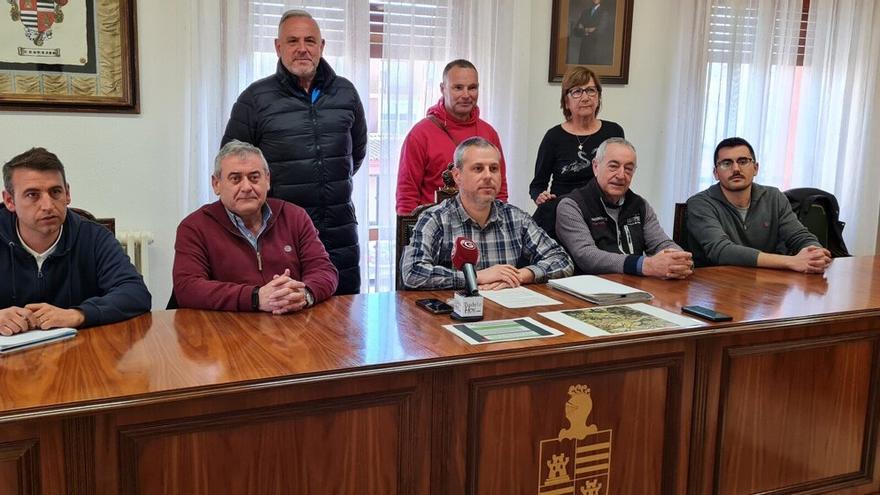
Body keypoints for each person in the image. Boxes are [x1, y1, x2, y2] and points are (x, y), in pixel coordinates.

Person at [222, 9, 366, 295]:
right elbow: (232, 165)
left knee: (343, 324)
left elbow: (356, 156)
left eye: (310, 40)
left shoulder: (346, 93)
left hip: (339, 235)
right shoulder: (255, 99)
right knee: (284, 322)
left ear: (321, 46)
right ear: (278, 47)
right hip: (279, 236)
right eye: (293, 41)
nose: (302, 48)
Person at [173, 140, 338, 313]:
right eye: (235, 179)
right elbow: (187, 288)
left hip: (291, 326)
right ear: (216, 184)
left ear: (267, 180)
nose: (246, 187)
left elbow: (325, 270)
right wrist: (255, 297)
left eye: (254, 177)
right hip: (227, 329)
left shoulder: (294, 216)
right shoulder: (194, 227)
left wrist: (304, 294)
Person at [0, 148, 151, 335]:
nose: (48, 206)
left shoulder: (94, 236)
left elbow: (135, 293)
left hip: (79, 353)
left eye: (55, 192)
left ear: (67, 194)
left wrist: (78, 314)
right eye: (33, 195)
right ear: (9, 201)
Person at [400, 137, 573, 290]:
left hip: (506, 311)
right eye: (478, 168)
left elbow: (561, 259)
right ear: (457, 175)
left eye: (494, 168)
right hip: (453, 316)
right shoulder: (435, 219)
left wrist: (520, 275)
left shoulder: (516, 218)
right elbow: (413, 272)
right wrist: (477, 277)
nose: (488, 176)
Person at [686, 137, 831, 273]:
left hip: (767, 286)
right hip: (718, 287)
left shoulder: (774, 197)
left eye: (743, 161)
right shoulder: (700, 204)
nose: (736, 169)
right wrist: (790, 261)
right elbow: (721, 251)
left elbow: (800, 236)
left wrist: (815, 255)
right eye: (726, 163)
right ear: (715, 173)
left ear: (755, 168)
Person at [556, 138, 693, 278]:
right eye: (613, 166)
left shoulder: (640, 205)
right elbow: (587, 256)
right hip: (588, 290)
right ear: (596, 167)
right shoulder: (572, 206)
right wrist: (644, 265)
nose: (621, 175)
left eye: (628, 169)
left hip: (635, 287)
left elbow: (660, 243)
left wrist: (679, 260)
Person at [396, 59, 508, 215]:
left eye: (472, 88)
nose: (466, 95)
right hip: (435, 230)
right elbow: (407, 194)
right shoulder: (420, 134)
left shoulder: (489, 133)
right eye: (458, 88)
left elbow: (500, 190)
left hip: (483, 229)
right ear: (443, 89)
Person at [529, 66, 624, 206]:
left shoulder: (613, 132)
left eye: (591, 90)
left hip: (602, 211)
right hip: (563, 211)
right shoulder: (553, 137)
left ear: (598, 97)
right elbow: (536, 186)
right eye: (577, 92)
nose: (585, 98)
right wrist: (541, 196)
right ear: (566, 102)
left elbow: (621, 175)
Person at [571, 0, 613, 66]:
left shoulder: (604, 13)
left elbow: (601, 31)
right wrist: (588, 30)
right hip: (584, 50)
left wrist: (584, 29)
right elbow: (576, 31)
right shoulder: (585, 12)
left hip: (595, 50)